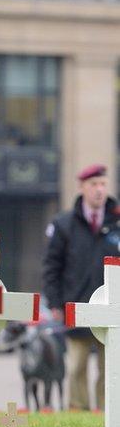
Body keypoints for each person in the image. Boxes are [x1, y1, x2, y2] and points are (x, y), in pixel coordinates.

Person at [42, 164, 120, 411]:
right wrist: (55, 303)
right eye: (93, 184)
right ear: (82, 187)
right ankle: (78, 410)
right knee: (76, 366)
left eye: (103, 184)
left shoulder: (117, 222)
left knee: (111, 368)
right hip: (76, 306)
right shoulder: (65, 224)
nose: (99, 190)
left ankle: (107, 413)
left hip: (112, 309)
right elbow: (52, 267)